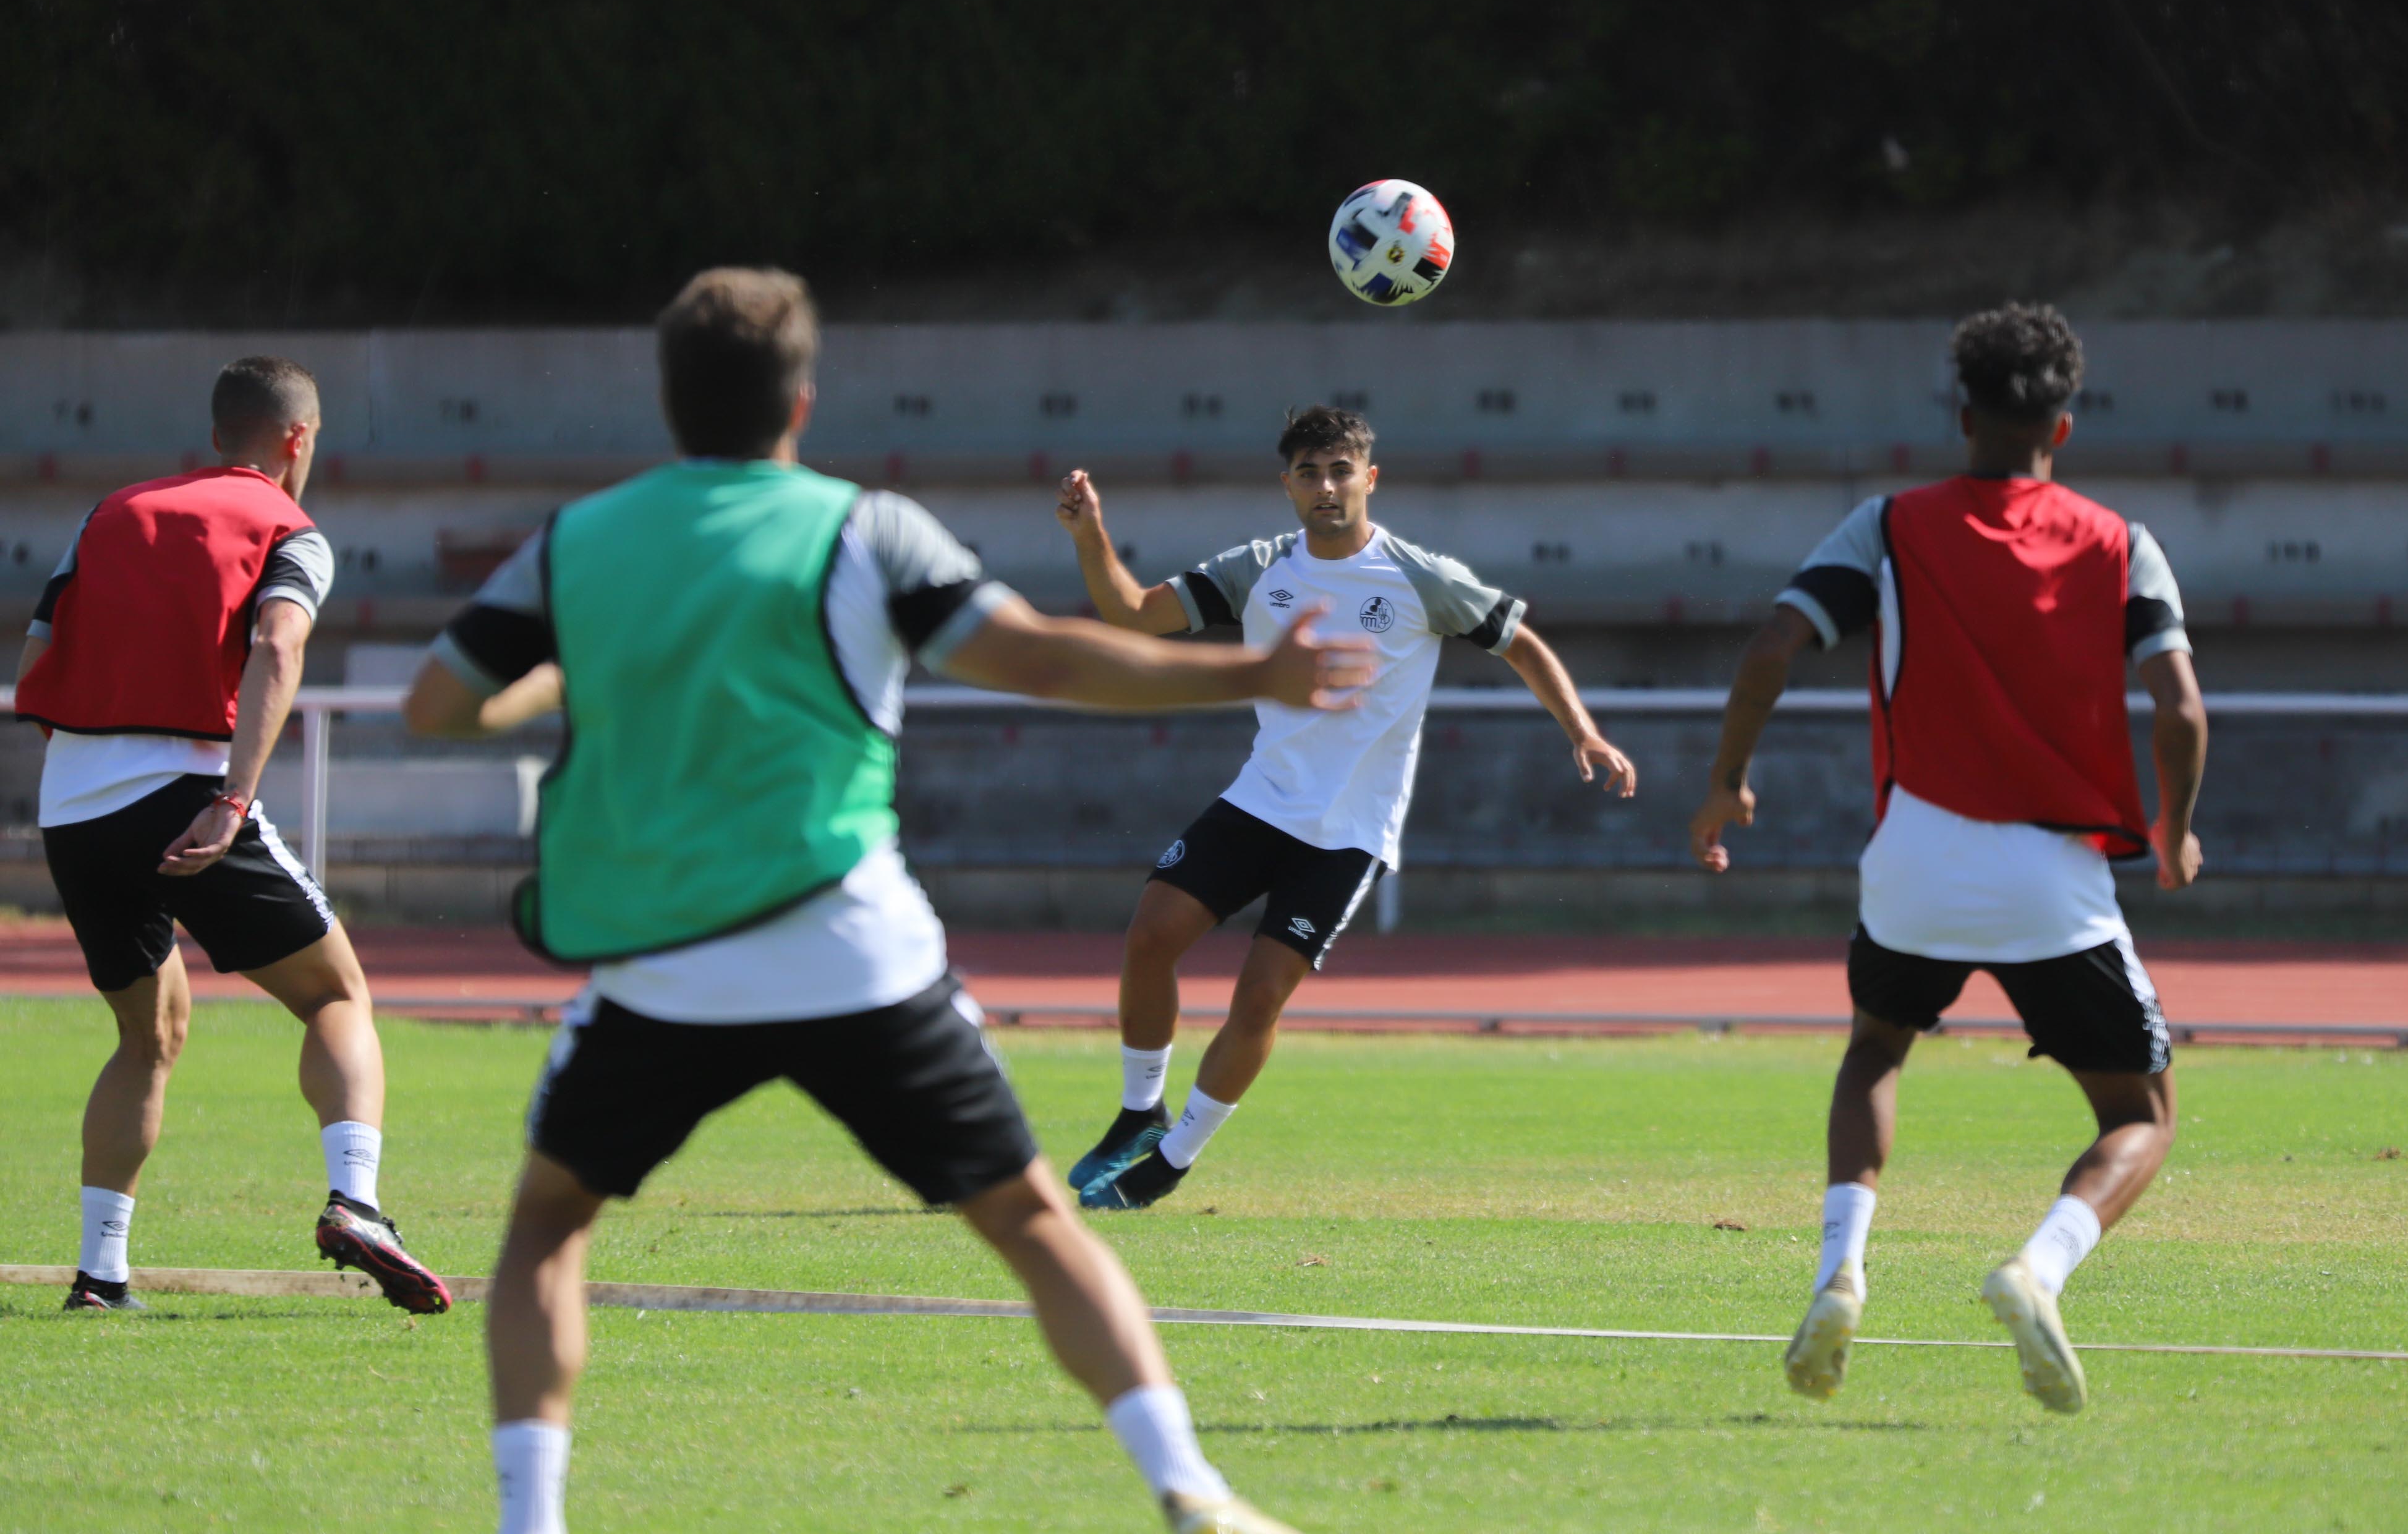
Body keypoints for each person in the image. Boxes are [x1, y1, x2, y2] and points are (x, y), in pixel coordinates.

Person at [407, 269, 1353, 1534]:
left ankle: (531, 1521)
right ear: (800, 401)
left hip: (665, 970)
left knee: (542, 1232)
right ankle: (1190, 1489)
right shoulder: (866, 530)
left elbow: (439, 706)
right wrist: (1259, 671)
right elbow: (1042, 655)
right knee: (1029, 1221)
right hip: (852, 953)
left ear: (666, 397)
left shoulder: (577, 542)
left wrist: (563, 671)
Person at [1688, 303, 2207, 1416]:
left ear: (1962, 414)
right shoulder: (2122, 540)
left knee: (1877, 1049)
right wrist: (2174, 823)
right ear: (2061, 429)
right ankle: (2037, 1269)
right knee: (2141, 1115)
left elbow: (1772, 645)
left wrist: (1730, 778)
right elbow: (2181, 707)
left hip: (1914, 853)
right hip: (2052, 874)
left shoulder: (1888, 525)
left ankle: (1840, 1274)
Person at [1053, 406, 1637, 1212]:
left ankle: (1174, 1160)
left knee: (1259, 997)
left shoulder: (1418, 575)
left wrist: (1584, 731)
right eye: (1308, 473)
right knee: (1150, 936)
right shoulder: (1258, 567)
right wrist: (1091, 536)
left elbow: (1521, 640)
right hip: (1259, 802)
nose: (1325, 487)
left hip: (1345, 836)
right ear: (1286, 484)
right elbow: (1135, 612)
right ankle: (1138, 1114)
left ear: (1369, 477)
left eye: (1339, 471)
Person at [13, 356, 451, 1316]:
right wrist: (233, 797)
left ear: (219, 434)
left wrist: (96, 772)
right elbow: (277, 645)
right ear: (298, 440)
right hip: (185, 789)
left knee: (148, 1035)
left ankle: (100, 1274)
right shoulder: (291, 531)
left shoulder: (111, 513)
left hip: (74, 802)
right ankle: (359, 1203)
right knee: (337, 995)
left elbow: (40, 650)